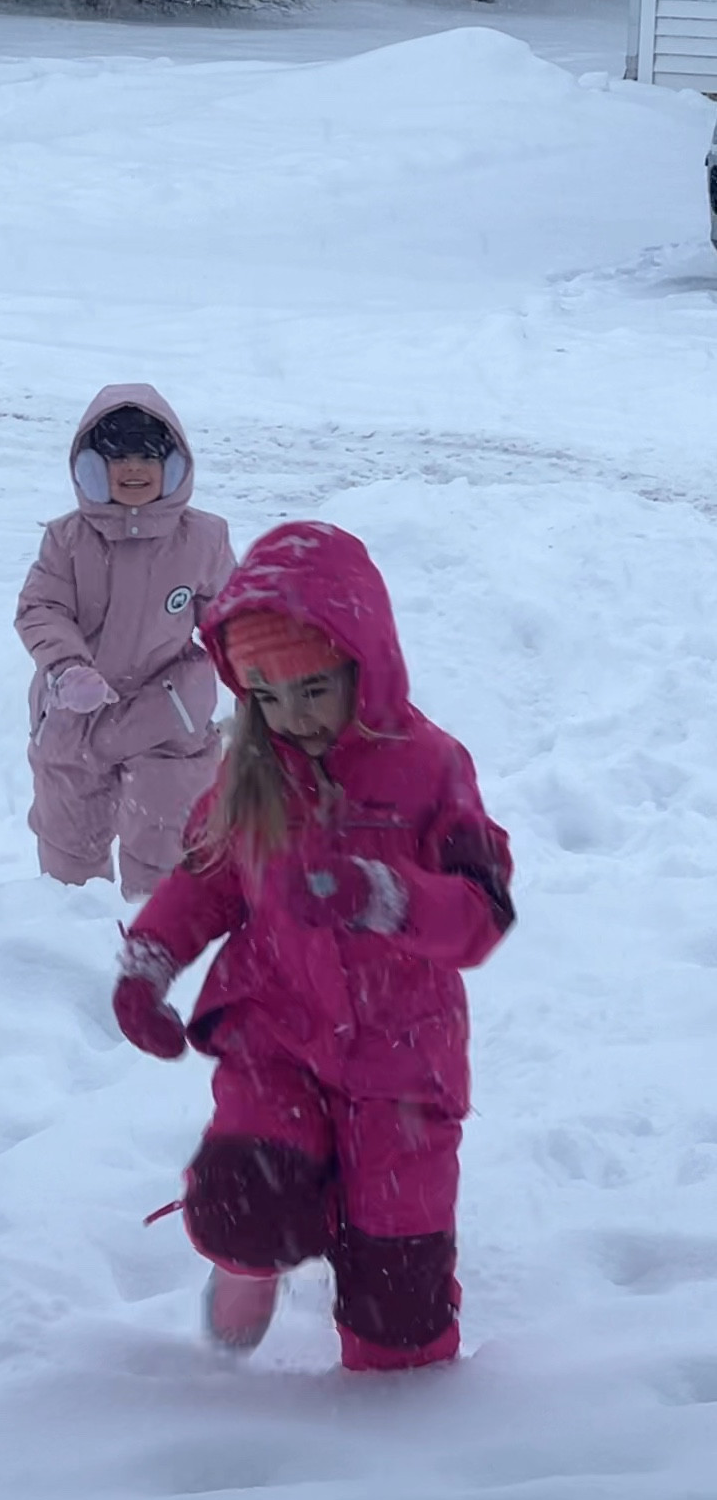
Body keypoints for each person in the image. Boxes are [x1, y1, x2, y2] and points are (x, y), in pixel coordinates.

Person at [111, 521, 514, 1372]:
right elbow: (206, 880)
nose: (291, 718)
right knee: (245, 1198)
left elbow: (482, 913)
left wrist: (388, 897)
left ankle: (393, 1439)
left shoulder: (432, 769)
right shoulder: (253, 771)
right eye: (265, 696)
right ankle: (249, 1258)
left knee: (397, 1317)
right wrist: (150, 963)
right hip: (277, 1036)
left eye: (311, 689)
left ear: (364, 664)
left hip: (403, 1063)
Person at [15, 385, 235, 899]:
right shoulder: (67, 540)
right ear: (92, 467)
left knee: (166, 847)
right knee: (68, 849)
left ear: (173, 465)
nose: (133, 469)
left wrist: (259, 683)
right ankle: (71, 943)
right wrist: (68, 668)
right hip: (76, 715)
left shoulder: (202, 539)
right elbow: (41, 608)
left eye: (147, 457)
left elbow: (233, 617)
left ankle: (155, 939)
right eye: (117, 458)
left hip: (168, 715)